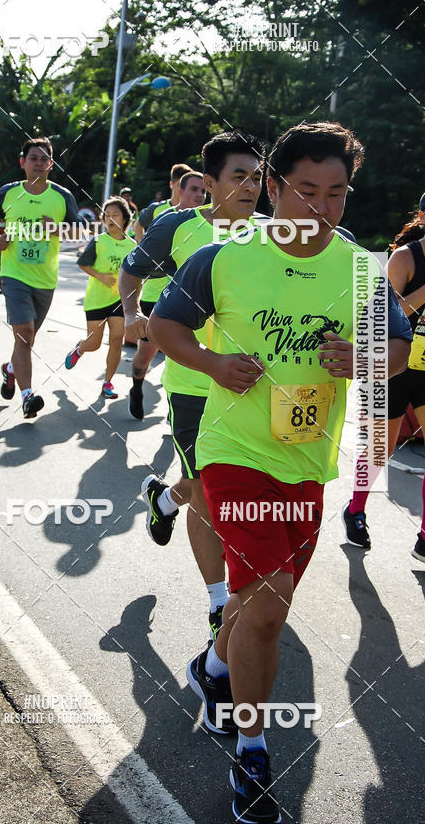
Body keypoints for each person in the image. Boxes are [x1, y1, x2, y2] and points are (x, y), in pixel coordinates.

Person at [148, 121, 412, 824]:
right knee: (267, 605)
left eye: (336, 193)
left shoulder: (360, 268)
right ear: (272, 187)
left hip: (307, 462)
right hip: (232, 452)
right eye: (305, 190)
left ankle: (212, 669)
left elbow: (398, 348)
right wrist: (211, 363)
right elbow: (164, 328)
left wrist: (363, 361)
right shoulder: (224, 257)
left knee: (256, 600)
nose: (320, 207)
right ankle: (253, 753)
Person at [120, 133, 264, 643]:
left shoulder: (272, 235)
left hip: (250, 388)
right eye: (239, 176)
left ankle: (162, 499)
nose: (251, 187)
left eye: (257, 177)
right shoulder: (178, 227)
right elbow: (131, 270)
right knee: (205, 490)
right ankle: (219, 601)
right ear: (210, 182)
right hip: (193, 383)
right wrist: (132, 313)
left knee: (225, 489)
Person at [343, 182, 425, 574]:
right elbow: (381, 320)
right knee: (381, 449)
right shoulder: (404, 259)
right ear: (423, 216)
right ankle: (355, 509)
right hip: (395, 367)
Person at [0, 137, 79, 419]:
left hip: (45, 279)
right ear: (23, 162)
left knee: (27, 339)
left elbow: (79, 232)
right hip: (14, 274)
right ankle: (27, 397)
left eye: (44, 159)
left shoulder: (62, 197)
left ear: (51, 164)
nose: (38, 163)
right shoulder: (9, 193)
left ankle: (10, 369)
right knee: (23, 334)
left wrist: (57, 228)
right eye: (33, 158)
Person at [129, 171, 207, 420]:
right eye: (193, 189)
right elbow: (138, 227)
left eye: (203, 190)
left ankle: (177, 410)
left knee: (183, 354)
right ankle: (137, 387)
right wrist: (145, 250)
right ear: (179, 190)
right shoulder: (164, 217)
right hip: (155, 297)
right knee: (146, 356)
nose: (199, 195)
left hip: (184, 303)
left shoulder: (209, 223)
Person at [64, 197, 135, 398]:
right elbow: (83, 263)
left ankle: (107, 383)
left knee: (116, 339)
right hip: (96, 299)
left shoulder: (132, 246)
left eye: (115, 215)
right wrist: (101, 276)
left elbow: (135, 274)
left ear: (124, 219)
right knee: (94, 343)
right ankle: (79, 349)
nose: (110, 219)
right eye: (107, 215)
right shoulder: (99, 241)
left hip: (119, 300)